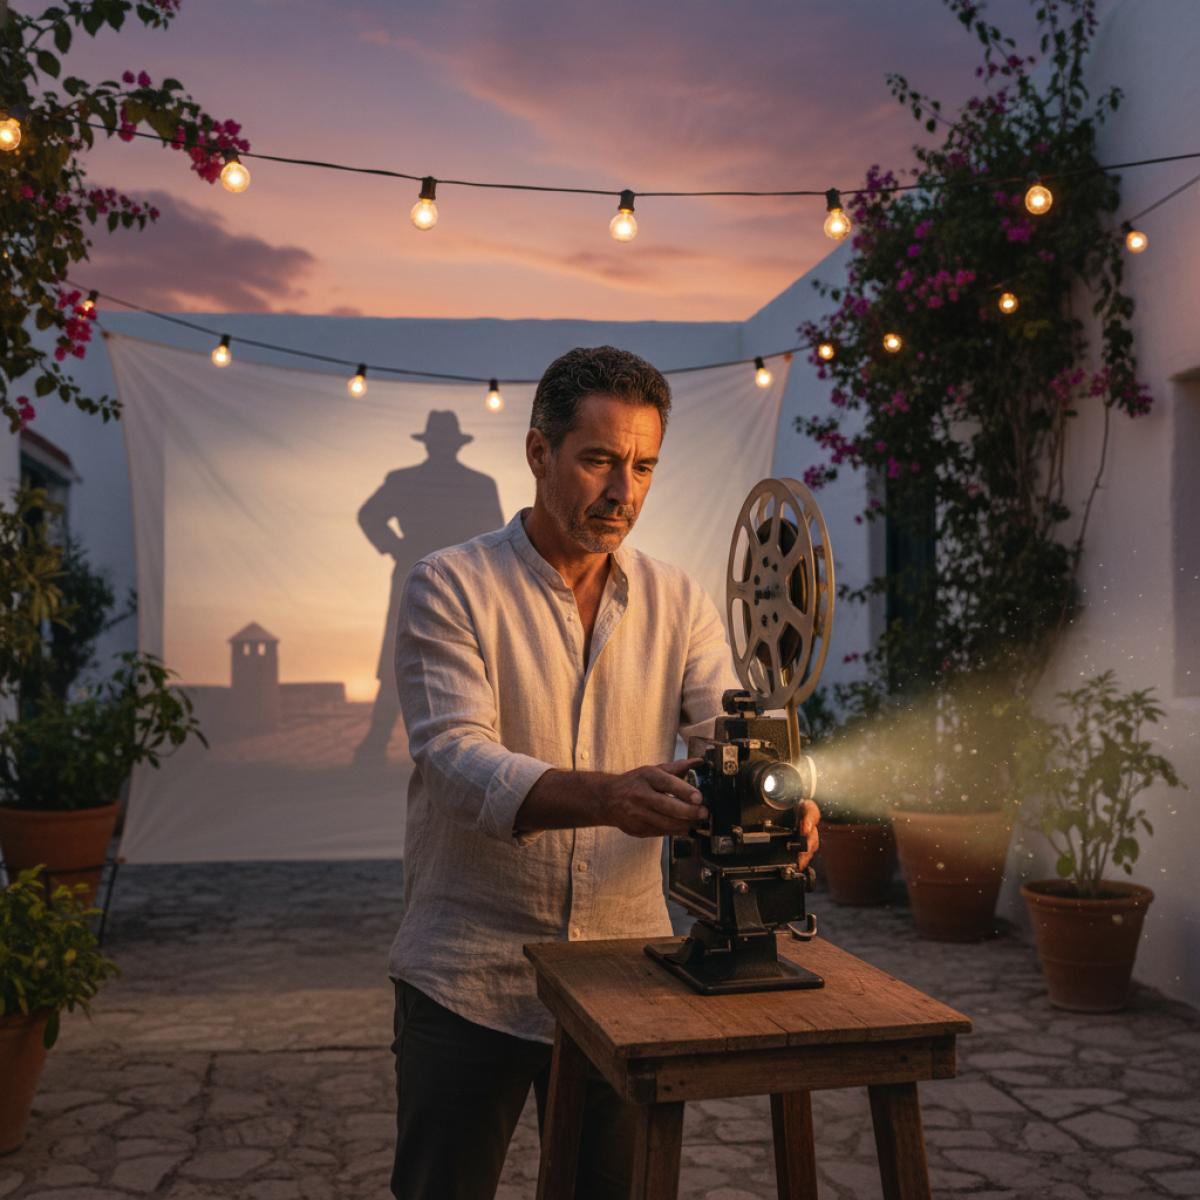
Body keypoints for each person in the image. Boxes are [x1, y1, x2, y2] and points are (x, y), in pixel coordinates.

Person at [387, 346, 820, 1200]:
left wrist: (775, 793)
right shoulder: (449, 586)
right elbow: (454, 758)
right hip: (471, 972)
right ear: (538, 453)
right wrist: (606, 795)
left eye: (645, 466)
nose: (624, 490)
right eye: (599, 461)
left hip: (627, 973)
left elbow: (720, 726)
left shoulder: (680, 600)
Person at [354, 410, 503, 765]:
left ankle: (469, 745)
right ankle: (376, 745)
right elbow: (370, 515)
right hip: (422, 576)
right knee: (400, 656)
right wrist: (395, 547)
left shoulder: (477, 485)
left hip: (459, 581)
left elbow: (494, 536)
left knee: (465, 659)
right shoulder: (423, 482)